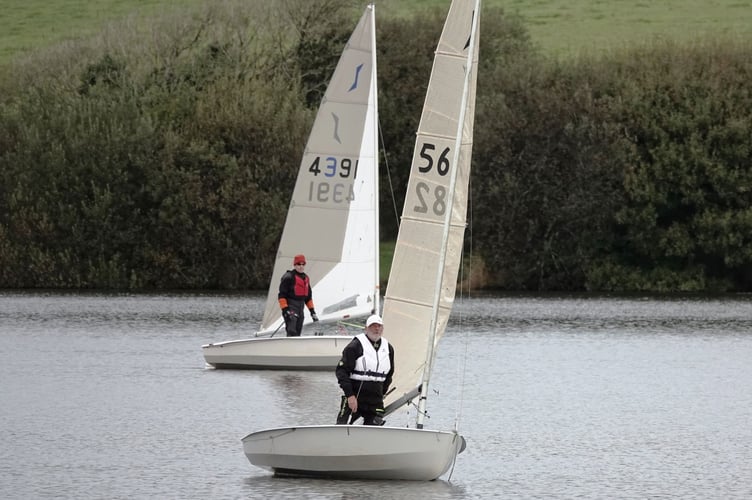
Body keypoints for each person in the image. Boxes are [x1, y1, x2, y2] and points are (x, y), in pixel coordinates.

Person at [335, 314, 394, 425]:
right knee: (343, 427)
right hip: (354, 397)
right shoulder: (355, 346)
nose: (376, 329)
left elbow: (389, 374)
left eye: (379, 326)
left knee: (374, 428)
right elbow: (341, 372)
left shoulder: (388, 348)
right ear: (366, 328)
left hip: (375, 401)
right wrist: (350, 396)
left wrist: (382, 393)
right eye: (373, 326)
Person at [278, 254, 318, 337]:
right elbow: (281, 295)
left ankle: (295, 348)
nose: (301, 266)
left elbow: (308, 298)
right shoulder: (288, 277)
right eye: (299, 264)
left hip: (300, 309)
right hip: (290, 308)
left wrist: (312, 312)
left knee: (297, 332)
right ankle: (288, 347)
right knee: (291, 331)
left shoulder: (306, 278)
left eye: (303, 264)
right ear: (295, 265)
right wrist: (285, 310)